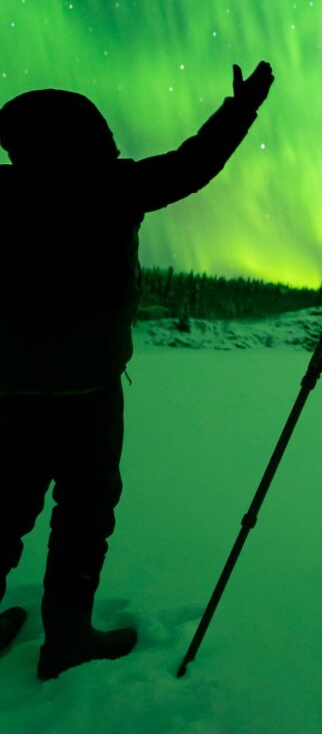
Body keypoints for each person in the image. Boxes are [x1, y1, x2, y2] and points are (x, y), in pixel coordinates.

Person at [0, 61, 274, 679]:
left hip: (10, 390)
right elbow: (195, 163)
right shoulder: (113, 187)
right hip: (88, 393)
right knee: (83, 517)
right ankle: (66, 639)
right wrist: (242, 108)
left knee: (4, 510)